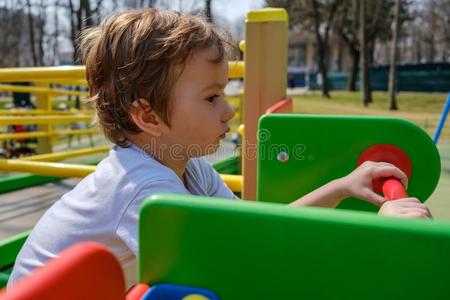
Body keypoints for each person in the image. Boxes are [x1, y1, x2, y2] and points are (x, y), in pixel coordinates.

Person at [7, 8, 431, 288]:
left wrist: (341, 186)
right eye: (211, 98)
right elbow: (241, 266)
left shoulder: (190, 170)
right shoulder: (143, 188)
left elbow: (253, 231)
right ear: (148, 117)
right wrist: (381, 237)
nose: (229, 111)